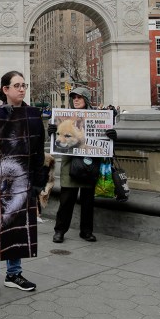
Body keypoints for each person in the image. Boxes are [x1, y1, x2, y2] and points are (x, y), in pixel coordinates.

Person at [0, 70, 43, 297]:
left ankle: (13, 273)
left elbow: (38, 151)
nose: (22, 89)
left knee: (18, 227)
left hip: (23, 181)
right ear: (5, 90)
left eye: (24, 85)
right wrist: (3, 120)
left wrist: (38, 182)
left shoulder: (33, 115)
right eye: (17, 85)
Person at [51, 85, 117, 245]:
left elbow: (104, 144)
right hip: (70, 164)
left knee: (88, 201)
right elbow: (58, 142)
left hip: (90, 164)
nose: (76, 100)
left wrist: (112, 136)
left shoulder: (99, 116)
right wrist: (52, 132)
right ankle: (59, 231)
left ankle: (86, 231)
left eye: (79, 97)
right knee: (66, 200)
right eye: (74, 98)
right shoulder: (65, 119)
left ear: (86, 99)